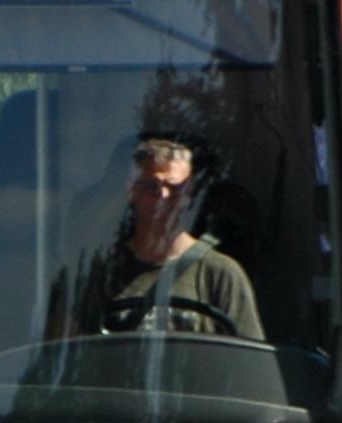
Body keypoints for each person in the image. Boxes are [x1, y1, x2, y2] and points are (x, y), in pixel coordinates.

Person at [93, 136, 264, 339]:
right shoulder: (104, 270)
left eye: (174, 188)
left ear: (188, 195)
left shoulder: (220, 273)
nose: (163, 196)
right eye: (152, 186)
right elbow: (75, 344)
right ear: (132, 191)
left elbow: (246, 354)